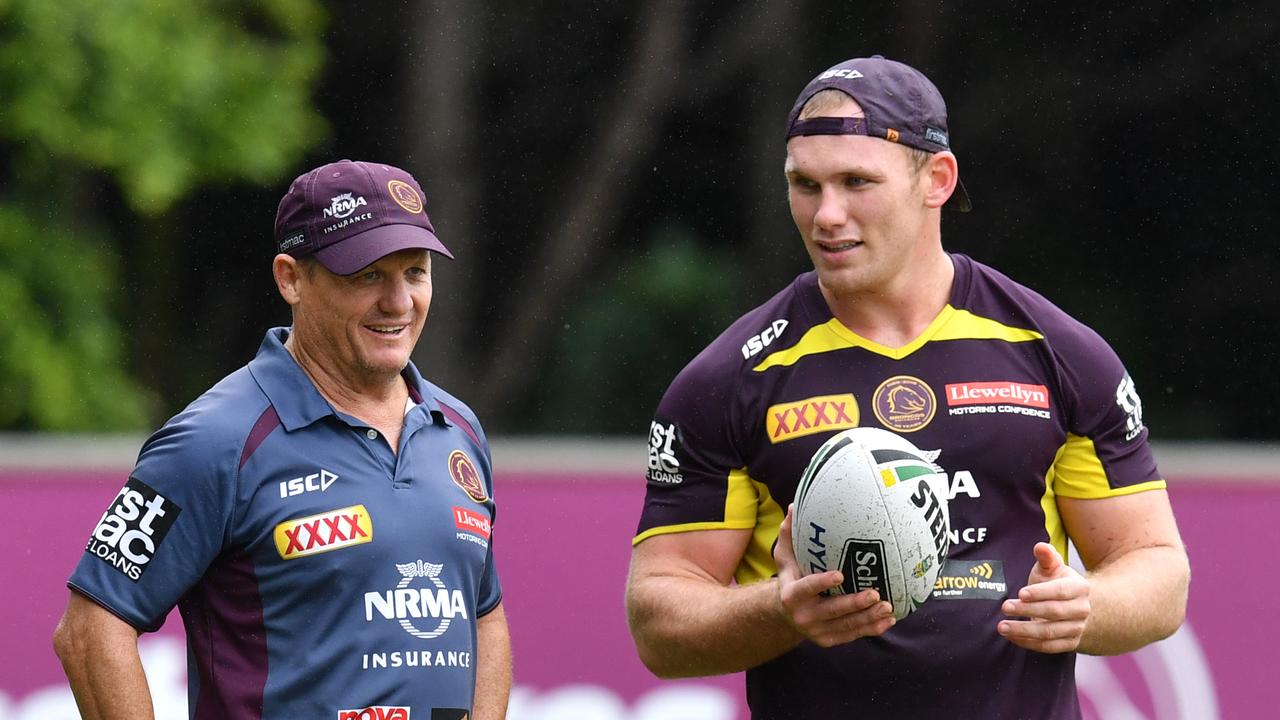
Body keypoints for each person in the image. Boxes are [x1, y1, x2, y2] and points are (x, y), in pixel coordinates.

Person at [625, 56, 1190, 718]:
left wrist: (1089, 607)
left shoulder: (1057, 354)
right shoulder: (730, 380)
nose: (826, 214)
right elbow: (659, 621)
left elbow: (1157, 569)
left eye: (856, 182)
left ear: (937, 179)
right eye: (805, 185)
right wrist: (778, 609)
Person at [53, 159, 511, 720]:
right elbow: (90, 628)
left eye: (414, 272)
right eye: (367, 275)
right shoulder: (213, 440)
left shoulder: (457, 429)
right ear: (291, 278)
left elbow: (484, 614)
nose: (398, 302)